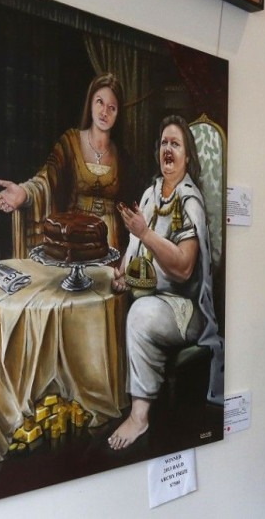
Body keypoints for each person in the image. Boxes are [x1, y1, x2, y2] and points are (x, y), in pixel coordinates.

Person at [108, 115, 224, 450]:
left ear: (187, 156)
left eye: (175, 144)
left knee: (141, 314)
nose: (168, 149)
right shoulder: (150, 193)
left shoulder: (190, 201)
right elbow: (134, 250)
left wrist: (145, 232)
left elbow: (184, 269)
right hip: (149, 294)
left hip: (185, 309)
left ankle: (140, 415)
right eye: (163, 143)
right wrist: (122, 273)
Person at [0, 72, 135, 252]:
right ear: (90, 103)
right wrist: (24, 193)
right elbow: (46, 180)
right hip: (75, 239)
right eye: (100, 102)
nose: (104, 112)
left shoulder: (122, 157)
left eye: (112, 107)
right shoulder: (70, 142)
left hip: (110, 243)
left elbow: (130, 207)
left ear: (118, 114)